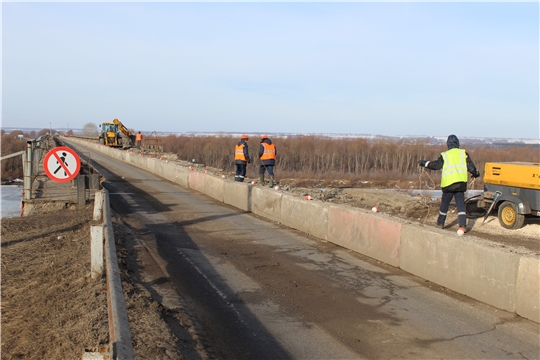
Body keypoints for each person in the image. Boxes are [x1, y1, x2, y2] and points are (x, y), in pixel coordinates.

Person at [418, 134, 480, 234]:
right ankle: (462, 226)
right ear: (458, 143)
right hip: (460, 184)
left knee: (444, 205)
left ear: (448, 144)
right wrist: (476, 174)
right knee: (461, 205)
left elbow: (435, 165)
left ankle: (440, 223)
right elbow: (472, 168)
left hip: (448, 185)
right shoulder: (463, 154)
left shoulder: (445, 155)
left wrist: (424, 163)